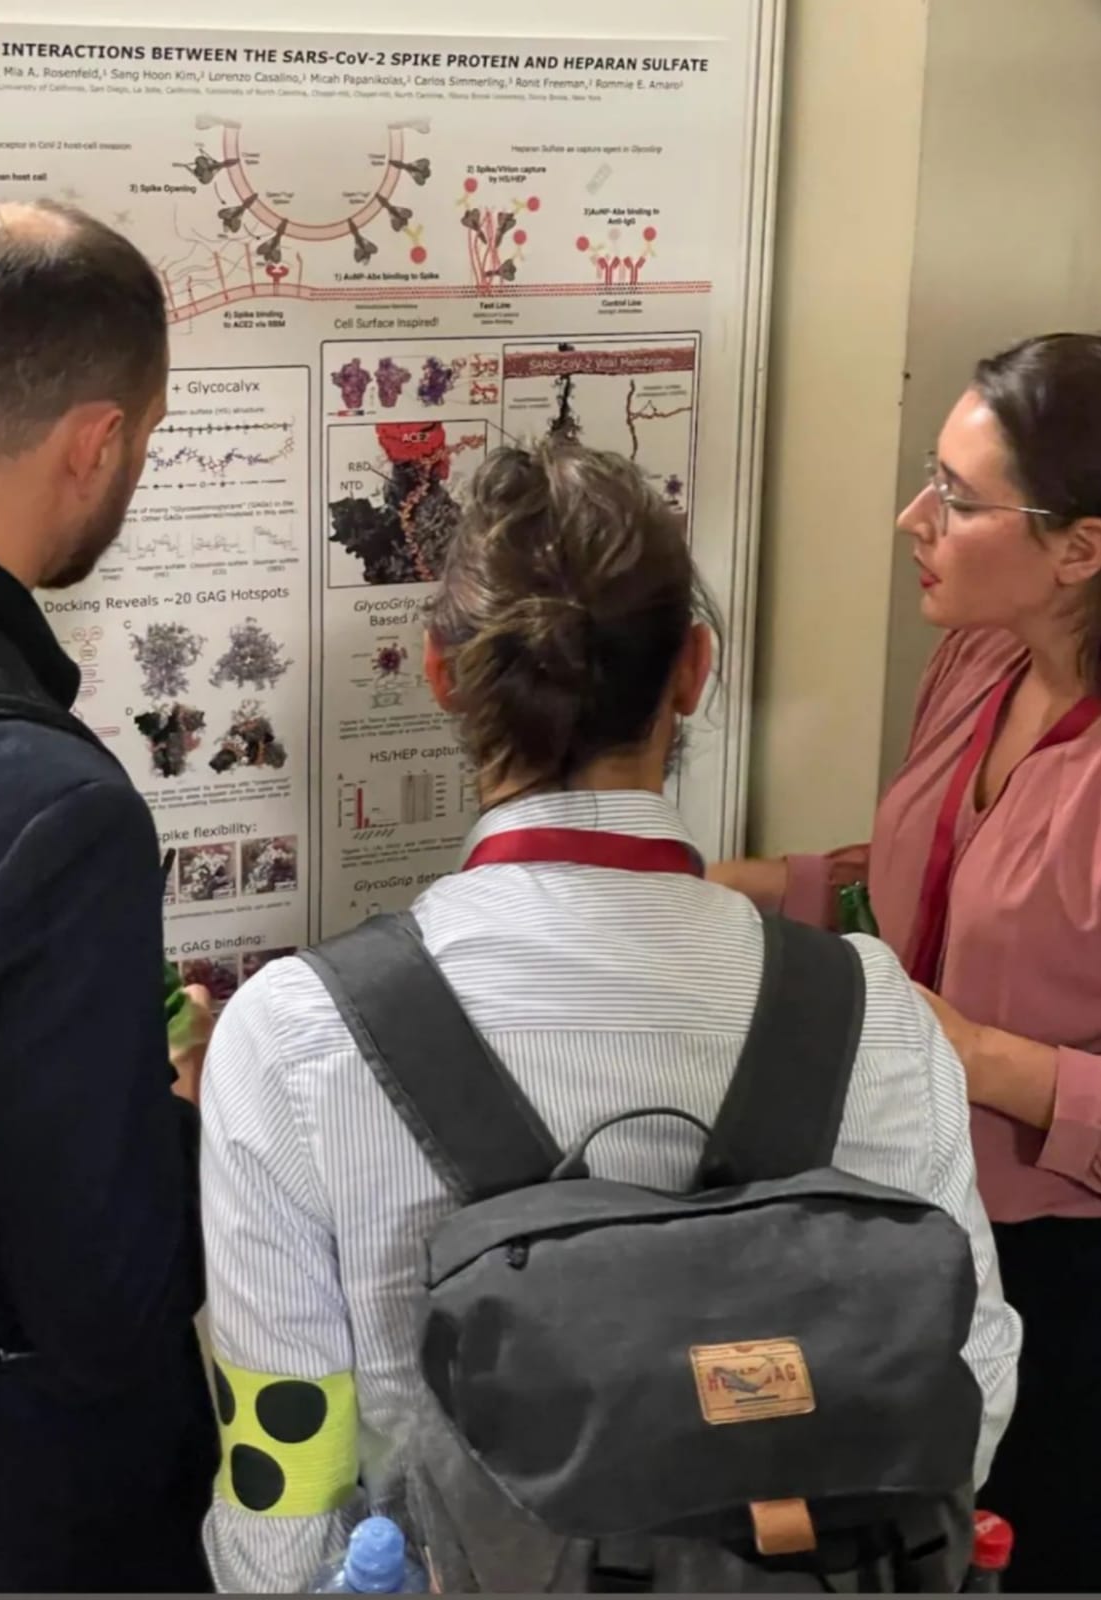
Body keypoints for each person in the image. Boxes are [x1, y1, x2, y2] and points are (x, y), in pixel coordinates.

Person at [200, 439, 1020, 1593]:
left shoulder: (292, 1036)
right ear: (692, 670)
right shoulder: (865, 1006)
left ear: (438, 673)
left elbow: (285, 1457)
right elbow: (966, 1380)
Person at [710, 333, 1101, 1593]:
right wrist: (734, 887)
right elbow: (913, 877)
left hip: (1060, 1267)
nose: (908, 517)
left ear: (1078, 548)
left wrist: (977, 1055)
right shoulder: (976, 658)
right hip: (913, 1211)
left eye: (954, 496)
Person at [0, 200, 218, 1592]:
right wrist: (184, 1115)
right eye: (144, 448)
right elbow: (101, 1308)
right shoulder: (48, 814)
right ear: (96, 441)